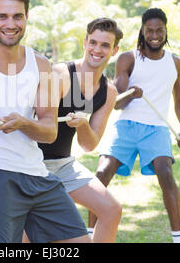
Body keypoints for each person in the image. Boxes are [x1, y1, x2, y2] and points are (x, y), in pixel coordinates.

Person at [0, 0, 91, 243]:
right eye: (2, 16)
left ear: (27, 17)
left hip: (38, 174)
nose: (11, 23)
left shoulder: (42, 64)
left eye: (18, 16)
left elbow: (50, 131)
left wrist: (23, 123)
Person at [89, 8, 180, 243]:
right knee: (101, 172)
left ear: (165, 31)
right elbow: (116, 103)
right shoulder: (128, 58)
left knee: (165, 173)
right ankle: (89, 236)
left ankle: (179, 238)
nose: (154, 35)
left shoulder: (175, 63)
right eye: (150, 30)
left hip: (156, 128)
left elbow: (179, 100)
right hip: (126, 125)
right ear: (143, 30)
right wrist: (130, 94)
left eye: (159, 30)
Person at [32, 18, 123, 243]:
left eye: (105, 45)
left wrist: (83, 125)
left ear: (115, 50)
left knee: (112, 210)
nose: (97, 50)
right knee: (27, 238)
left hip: (63, 164)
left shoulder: (108, 91)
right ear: (85, 43)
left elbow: (89, 144)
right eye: (93, 42)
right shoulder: (61, 74)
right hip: (31, 163)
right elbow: (37, 123)